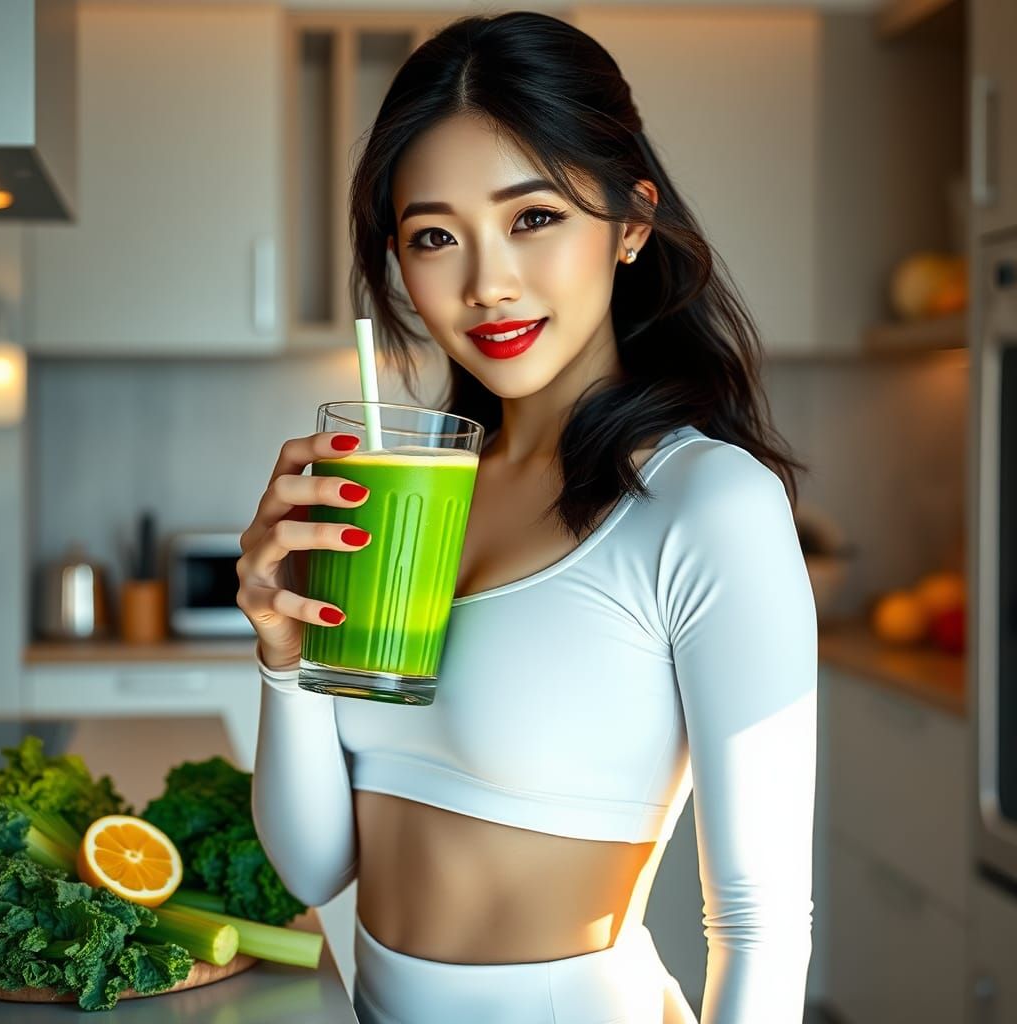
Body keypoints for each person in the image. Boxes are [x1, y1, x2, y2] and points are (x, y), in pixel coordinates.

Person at [236, 10, 817, 1023]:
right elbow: (314, 866)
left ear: (631, 220)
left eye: (533, 217)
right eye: (434, 236)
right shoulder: (410, 497)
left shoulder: (706, 506)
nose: (485, 282)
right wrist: (283, 660)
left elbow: (761, 926)